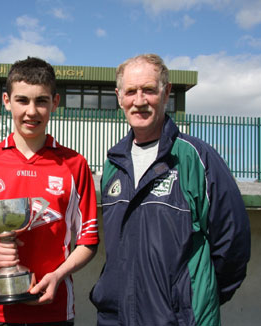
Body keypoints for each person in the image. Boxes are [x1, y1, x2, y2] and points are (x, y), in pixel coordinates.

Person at [89, 53, 251, 325]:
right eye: (131, 91)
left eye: (149, 90)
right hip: (118, 318)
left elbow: (233, 243)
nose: (139, 101)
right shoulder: (114, 165)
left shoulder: (196, 158)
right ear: (119, 97)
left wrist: (195, 300)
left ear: (166, 93)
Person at [0, 57, 99, 325]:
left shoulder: (75, 165)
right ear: (7, 101)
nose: (31, 111)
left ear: (55, 102)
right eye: (22, 100)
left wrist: (58, 275)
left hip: (53, 311)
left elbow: (88, 242)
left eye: (41, 101)